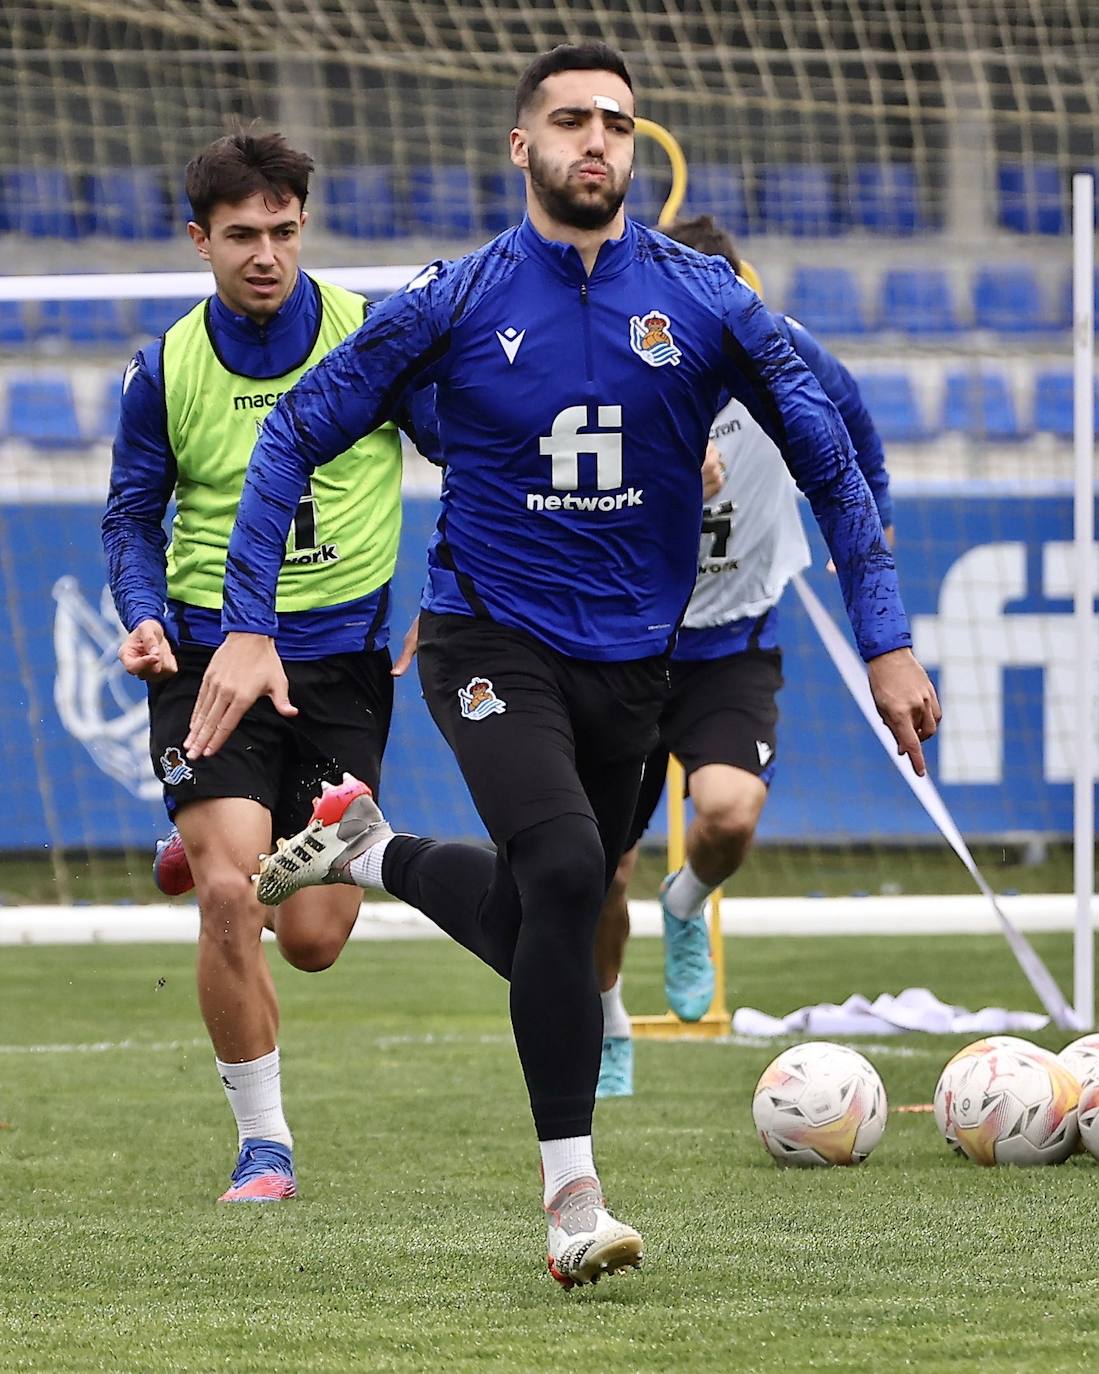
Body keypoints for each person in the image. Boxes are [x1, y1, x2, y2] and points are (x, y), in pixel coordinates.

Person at [182, 44, 940, 1284]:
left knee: (557, 915)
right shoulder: (452, 299)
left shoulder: (704, 299)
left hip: (636, 661)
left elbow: (829, 456)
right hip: (487, 637)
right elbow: (294, 438)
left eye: (618, 123)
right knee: (569, 869)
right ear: (521, 146)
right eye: (572, 119)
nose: (597, 139)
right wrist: (249, 623)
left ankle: (370, 850)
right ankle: (572, 1201)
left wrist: (886, 638)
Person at [101, 130, 413, 1203]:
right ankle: (264, 1146)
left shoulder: (373, 340)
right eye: (241, 235)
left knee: (315, 938)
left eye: (282, 230)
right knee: (233, 897)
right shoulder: (165, 367)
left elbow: (472, 454)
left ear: (303, 225)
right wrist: (143, 615)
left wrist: (459, 587)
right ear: (200, 240)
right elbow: (131, 516)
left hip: (339, 663)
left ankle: (207, 851)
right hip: (208, 659)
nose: (266, 254)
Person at [594, 214, 896, 1098]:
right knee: (601, 867)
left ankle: (685, 902)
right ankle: (607, 1024)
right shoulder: (612, 369)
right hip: (623, 646)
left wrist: (871, 517)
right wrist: (660, 476)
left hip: (732, 641)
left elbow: (852, 417)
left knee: (729, 813)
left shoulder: (781, 351)